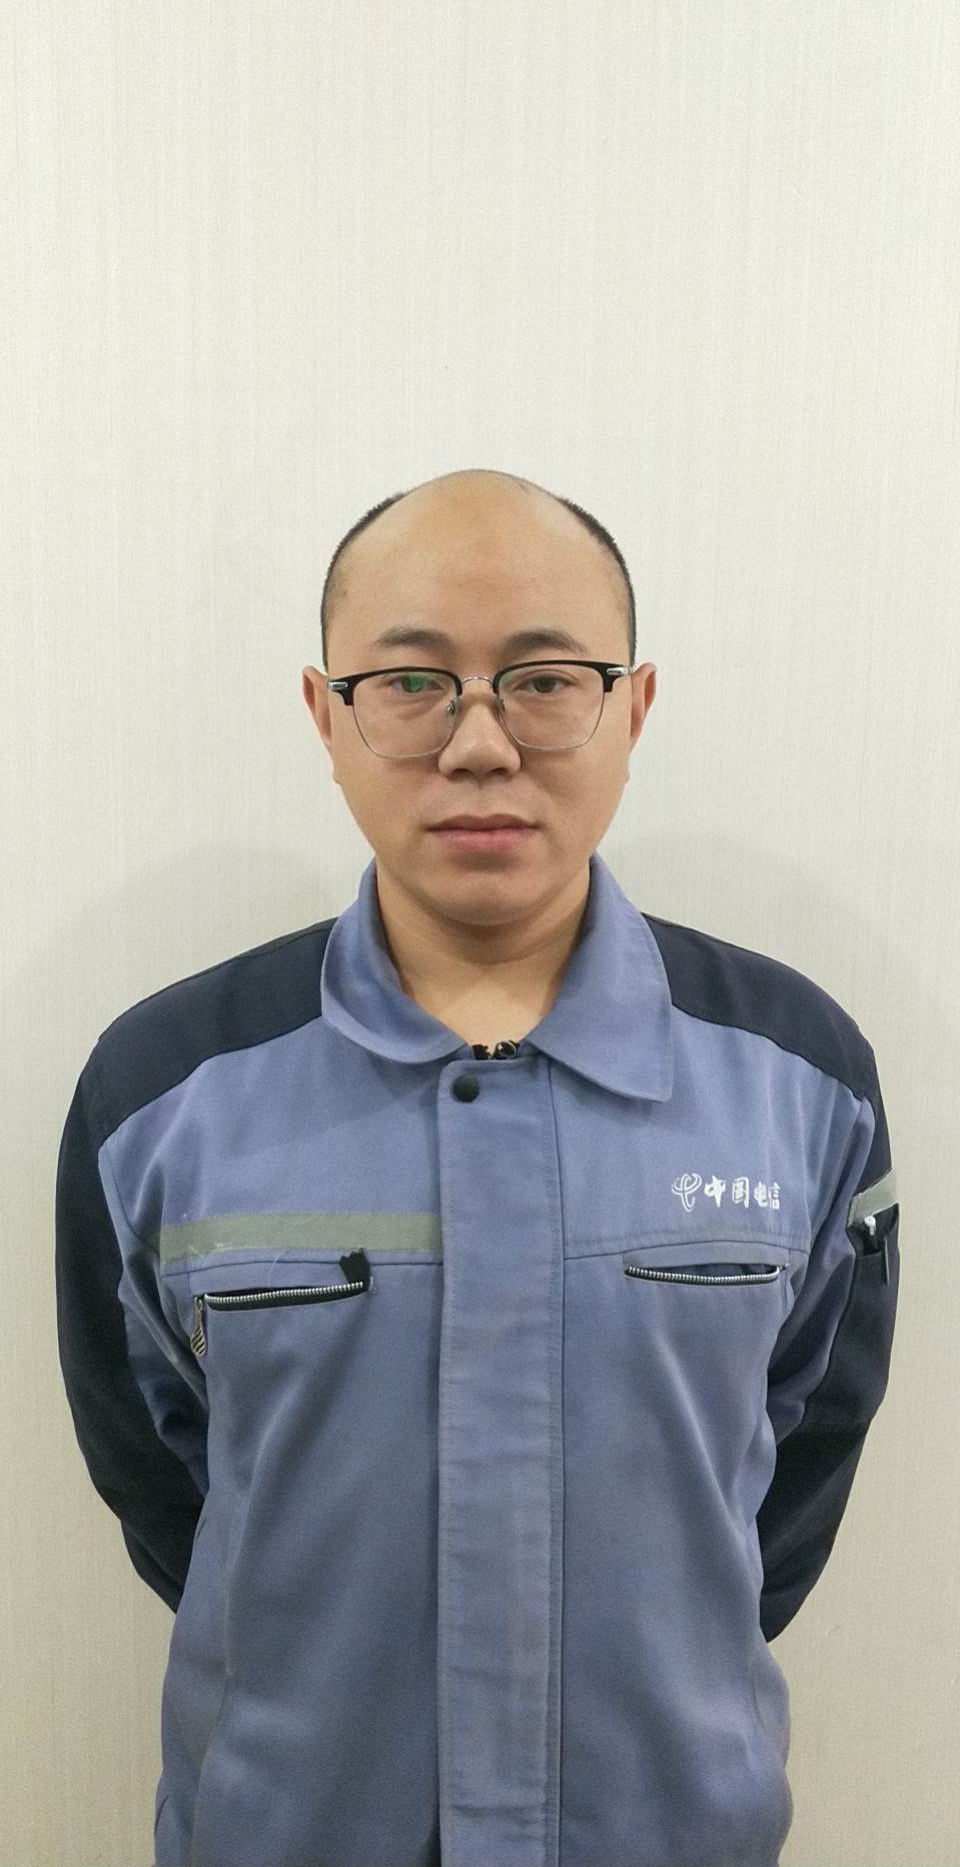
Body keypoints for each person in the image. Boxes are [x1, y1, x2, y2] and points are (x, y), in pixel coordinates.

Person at [56, 469, 898, 1867]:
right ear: (326, 714)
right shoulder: (164, 1091)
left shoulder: (799, 1077)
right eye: (412, 684)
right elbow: (162, 1476)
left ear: (634, 706)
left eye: (546, 681)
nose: (482, 744)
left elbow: (799, 1456)